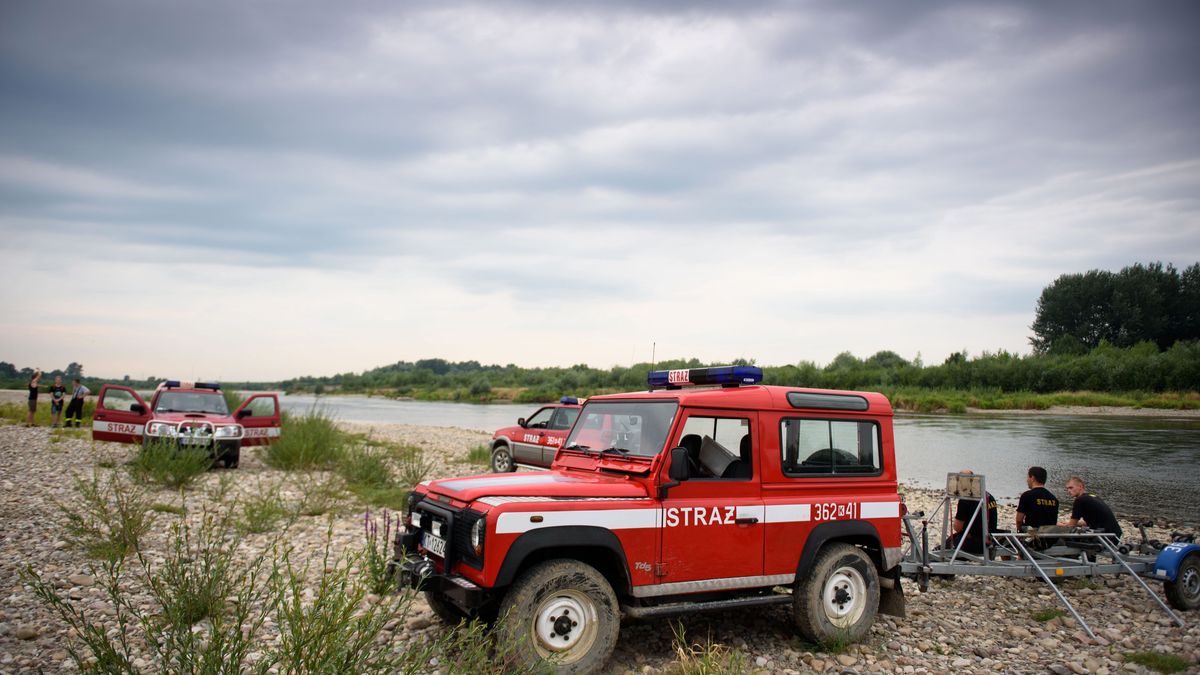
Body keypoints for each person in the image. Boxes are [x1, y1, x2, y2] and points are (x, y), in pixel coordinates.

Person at [949, 469, 998, 555]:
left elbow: (957, 527)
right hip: (991, 539)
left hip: (975, 543)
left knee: (943, 548)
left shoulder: (965, 499)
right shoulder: (989, 496)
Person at [1015, 466, 1059, 531]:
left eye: (1028, 477)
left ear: (1032, 478)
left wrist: (1020, 530)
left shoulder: (1027, 496)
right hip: (1049, 536)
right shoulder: (1054, 499)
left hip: (1032, 536)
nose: (1027, 480)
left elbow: (1019, 520)